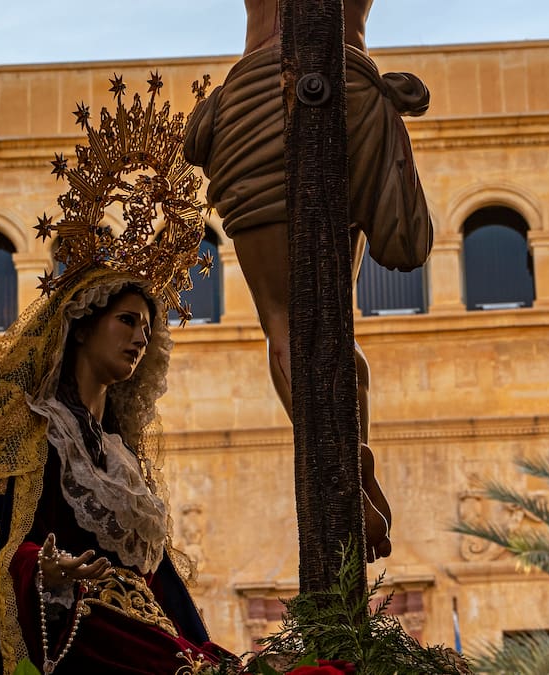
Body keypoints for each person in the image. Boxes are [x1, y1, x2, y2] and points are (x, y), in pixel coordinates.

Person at [0, 268, 235, 674]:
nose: (141, 338)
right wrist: (39, 570)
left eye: (147, 327)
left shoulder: (121, 457)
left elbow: (159, 582)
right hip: (75, 630)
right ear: (83, 328)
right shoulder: (25, 432)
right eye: (127, 320)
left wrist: (196, 645)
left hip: (138, 633)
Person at [184, 0, 434, 561]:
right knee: (335, 333)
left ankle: (344, 476)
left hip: (259, 100)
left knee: (284, 327)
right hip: (350, 88)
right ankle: (354, 459)